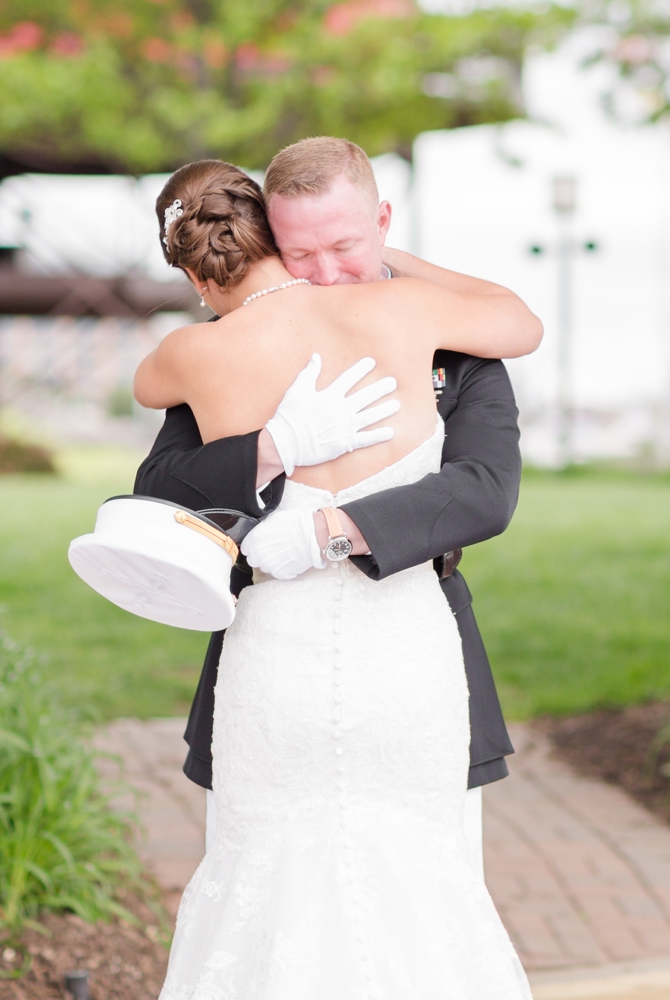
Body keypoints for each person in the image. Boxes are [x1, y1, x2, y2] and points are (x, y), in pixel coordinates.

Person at [136, 157, 540, 998]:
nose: (323, 275)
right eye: (300, 252)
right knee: (367, 878)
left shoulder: (203, 349)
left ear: (386, 222)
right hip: (375, 653)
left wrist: (324, 529)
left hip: (370, 639)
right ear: (268, 240)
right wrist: (273, 445)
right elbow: (161, 486)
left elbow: (486, 493)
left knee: (335, 876)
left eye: (344, 247)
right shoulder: (419, 313)